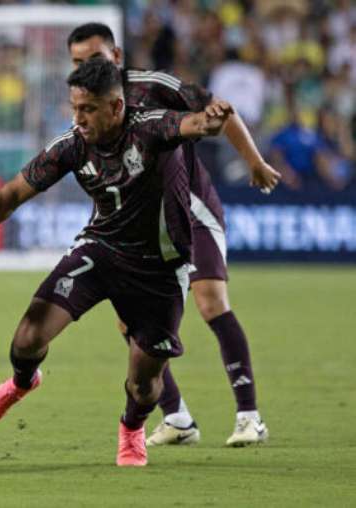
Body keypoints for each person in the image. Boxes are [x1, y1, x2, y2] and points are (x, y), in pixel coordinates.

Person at [0, 58, 233, 467]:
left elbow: (195, 125)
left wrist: (213, 120)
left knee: (145, 384)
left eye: (88, 109)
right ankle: (23, 382)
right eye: (75, 108)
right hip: (101, 251)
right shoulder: (72, 144)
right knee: (26, 338)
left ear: (115, 106)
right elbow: (14, 193)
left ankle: (132, 428)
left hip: (160, 270)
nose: (79, 118)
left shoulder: (149, 127)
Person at [66, 22, 279, 446]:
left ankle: (249, 417)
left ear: (117, 57)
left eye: (94, 59)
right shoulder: (83, 103)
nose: (85, 68)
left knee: (210, 300)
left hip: (190, 210)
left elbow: (221, 108)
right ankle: (178, 418)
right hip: (140, 227)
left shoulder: (152, 86)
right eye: (77, 62)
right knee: (129, 319)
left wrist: (253, 161)